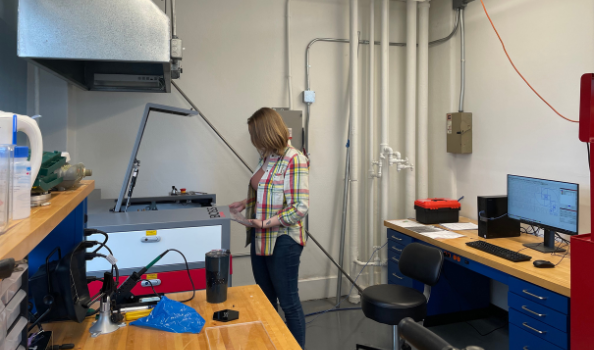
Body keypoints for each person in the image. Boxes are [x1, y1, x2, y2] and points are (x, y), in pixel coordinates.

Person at [229, 107, 309, 348]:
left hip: (283, 239)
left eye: (254, 134)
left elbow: (299, 208)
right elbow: (265, 191)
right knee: (264, 299)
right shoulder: (265, 156)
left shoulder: (295, 159)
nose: (252, 140)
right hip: (260, 237)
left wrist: (264, 223)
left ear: (265, 133)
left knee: (289, 303)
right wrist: (247, 202)